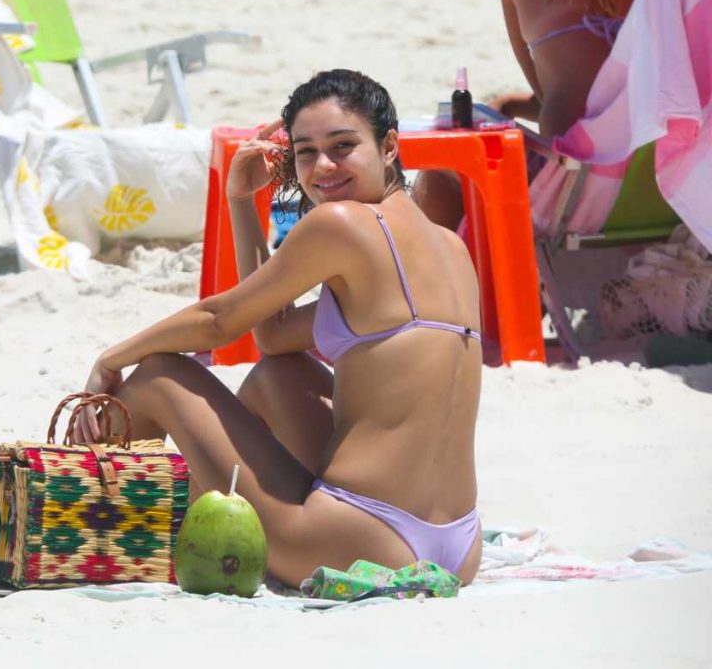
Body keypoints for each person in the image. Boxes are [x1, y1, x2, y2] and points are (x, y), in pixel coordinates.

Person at [76, 70, 484, 588]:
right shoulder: (449, 246)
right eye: (306, 152)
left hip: (359, 539)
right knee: (280, 375)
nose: (323, 167)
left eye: (342, 146)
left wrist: (112, 358)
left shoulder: (343, 223)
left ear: (389, 147)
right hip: (458, 546)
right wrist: (242, 202)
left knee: (157, 373)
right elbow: (272, 334)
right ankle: (191, 515)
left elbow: (219, 321)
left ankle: (98, 534)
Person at [414, 0, 642, 233]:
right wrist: (514, 103)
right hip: (656, 189)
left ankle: (437, 257)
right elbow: (605, 95)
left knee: (442, 165)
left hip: (571, 196)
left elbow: (548, 92)